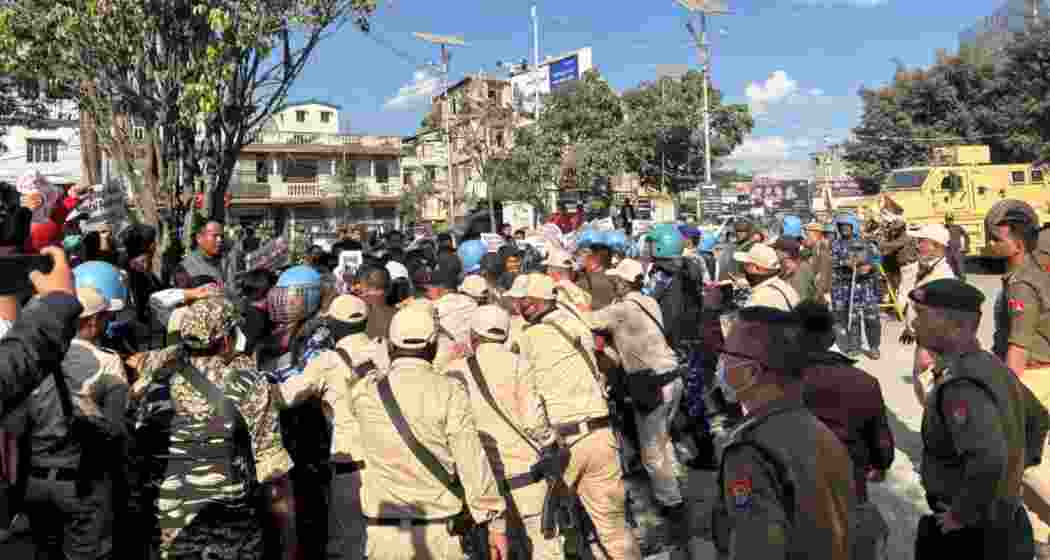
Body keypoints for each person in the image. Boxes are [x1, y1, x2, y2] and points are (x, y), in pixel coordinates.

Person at [132, 297, 292, 559]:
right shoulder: (247, 382)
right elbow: (271, 466)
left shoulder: (155, 374)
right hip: (229, 516)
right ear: (226, 339)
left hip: (172, 513)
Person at [348, 306, 509, 560]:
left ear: (391, 345)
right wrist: (495, 524)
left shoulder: (365, 393)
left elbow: (361, 374)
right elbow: (472, 461)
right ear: (433, 345)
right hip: (440, 534)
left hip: (384, 537)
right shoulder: (450, 392)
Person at [910, 279, 1037, 560]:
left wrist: (962, 513)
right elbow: (1037, 419)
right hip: (1002, 522)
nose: (914, 324)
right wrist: (1012, 478)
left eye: (921, 315)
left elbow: (987, 457)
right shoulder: (991, 366)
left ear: (956, 325)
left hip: (973, 537)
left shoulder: (962, 384)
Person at [713, 306, 854, 560]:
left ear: (752, 372)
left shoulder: (751, 452)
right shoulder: (818, 429)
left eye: (727, 354)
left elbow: (756, 548)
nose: (721, 364)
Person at [517, 274, 641, 560]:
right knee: (613, 528)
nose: (519, 306)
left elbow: (528, 397)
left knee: (554, 530)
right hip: (600, 433)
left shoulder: (530, 337)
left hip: (565, 441)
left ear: (533, 304)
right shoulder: (576, 324)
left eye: (523, 300)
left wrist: (543, 438)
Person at [17, 287, 127, 559]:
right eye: (104, 317)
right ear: (91, 322)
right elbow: (116, 429)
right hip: (83, 484)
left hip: (37, 482)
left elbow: (16, 426)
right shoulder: (108, 362)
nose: (106, 323)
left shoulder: (33, 361)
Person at [446, 305, 563, 560]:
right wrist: (551, 441)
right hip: (528, 481)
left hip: (485, 491)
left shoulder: (454, 371)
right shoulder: (519, 364)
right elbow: (534, 423)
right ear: (505, 335)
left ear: (472, 336)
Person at [276, 295, 388, 560]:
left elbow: (286, 396)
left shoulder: (327, 361)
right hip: (387, 465)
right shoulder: (384, 352)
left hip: (350, 468)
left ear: (334, 326)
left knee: (348, 546)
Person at [589, 258, 688, 538]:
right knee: (662, 439)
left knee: (652, 451)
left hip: (652, 384)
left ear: (622, 283)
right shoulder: (650, 302)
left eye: (615, 281)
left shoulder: (621, 310)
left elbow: (589, 321)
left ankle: (673, 505)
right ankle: (673, 488)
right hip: (672, 377)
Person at [795, 301, 894, 560]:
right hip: (850, 491)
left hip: (794, 496)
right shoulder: (864, 382)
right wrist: (880, 463)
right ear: (831, 336)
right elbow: (882, 446)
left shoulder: (778, 381)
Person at [990, 207, 1050, 551]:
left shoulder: (1023, 284)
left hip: (1031, 376)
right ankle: (1042, 538)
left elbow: (1018, 345)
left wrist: (1006, 392)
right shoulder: (1029, 273)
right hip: (1038, 374)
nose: (991, 244)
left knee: (1023, 463)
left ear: (1017, 243)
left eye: (997, 239)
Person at [897, 224, 958, 406]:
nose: (918, 245)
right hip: (923, 338)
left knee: (932, 394)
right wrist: (909, 327)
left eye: (922, 242)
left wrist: (927, 350)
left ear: (937, 246)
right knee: (923, 391)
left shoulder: (943, 277)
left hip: (933, 344)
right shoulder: (922, 268)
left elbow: (941, 320)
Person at [830, 214, 882, 359]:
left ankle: (874, 347)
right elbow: (832, 263)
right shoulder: (835, 245)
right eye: (841, 226)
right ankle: (855, 346)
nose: (844, 229)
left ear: (854, 226)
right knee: (852, 318)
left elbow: (877, 260)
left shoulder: (866, 242)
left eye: (847, 226)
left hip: (866, 286)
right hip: (847, 286)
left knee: (872, 318)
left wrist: (869, 267)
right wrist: (844, 263)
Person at [733, 243, 799, 311]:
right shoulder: (788, 288)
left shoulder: (758, 300)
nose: (744, 268)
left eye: (746, 264)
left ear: (756, 268)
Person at [173, 220, 233, 289]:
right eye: (215, 235)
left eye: (221, 236)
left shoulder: (226, 261)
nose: (219, 240)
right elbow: (180, 295)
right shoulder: (185, 267)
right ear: (199, 238)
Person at [772, 237, 817, 303]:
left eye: (776, 250)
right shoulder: (791, 268)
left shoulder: (800, 271)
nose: (774, 252)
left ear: (786, 253)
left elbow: (800, 301)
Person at [801, 221, 834, 304]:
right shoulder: (815, 247)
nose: (805, 237)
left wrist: (819, 293)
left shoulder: (822, 247)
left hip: (821, 294)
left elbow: (824, 272)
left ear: (817, 233)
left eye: (807, 234)